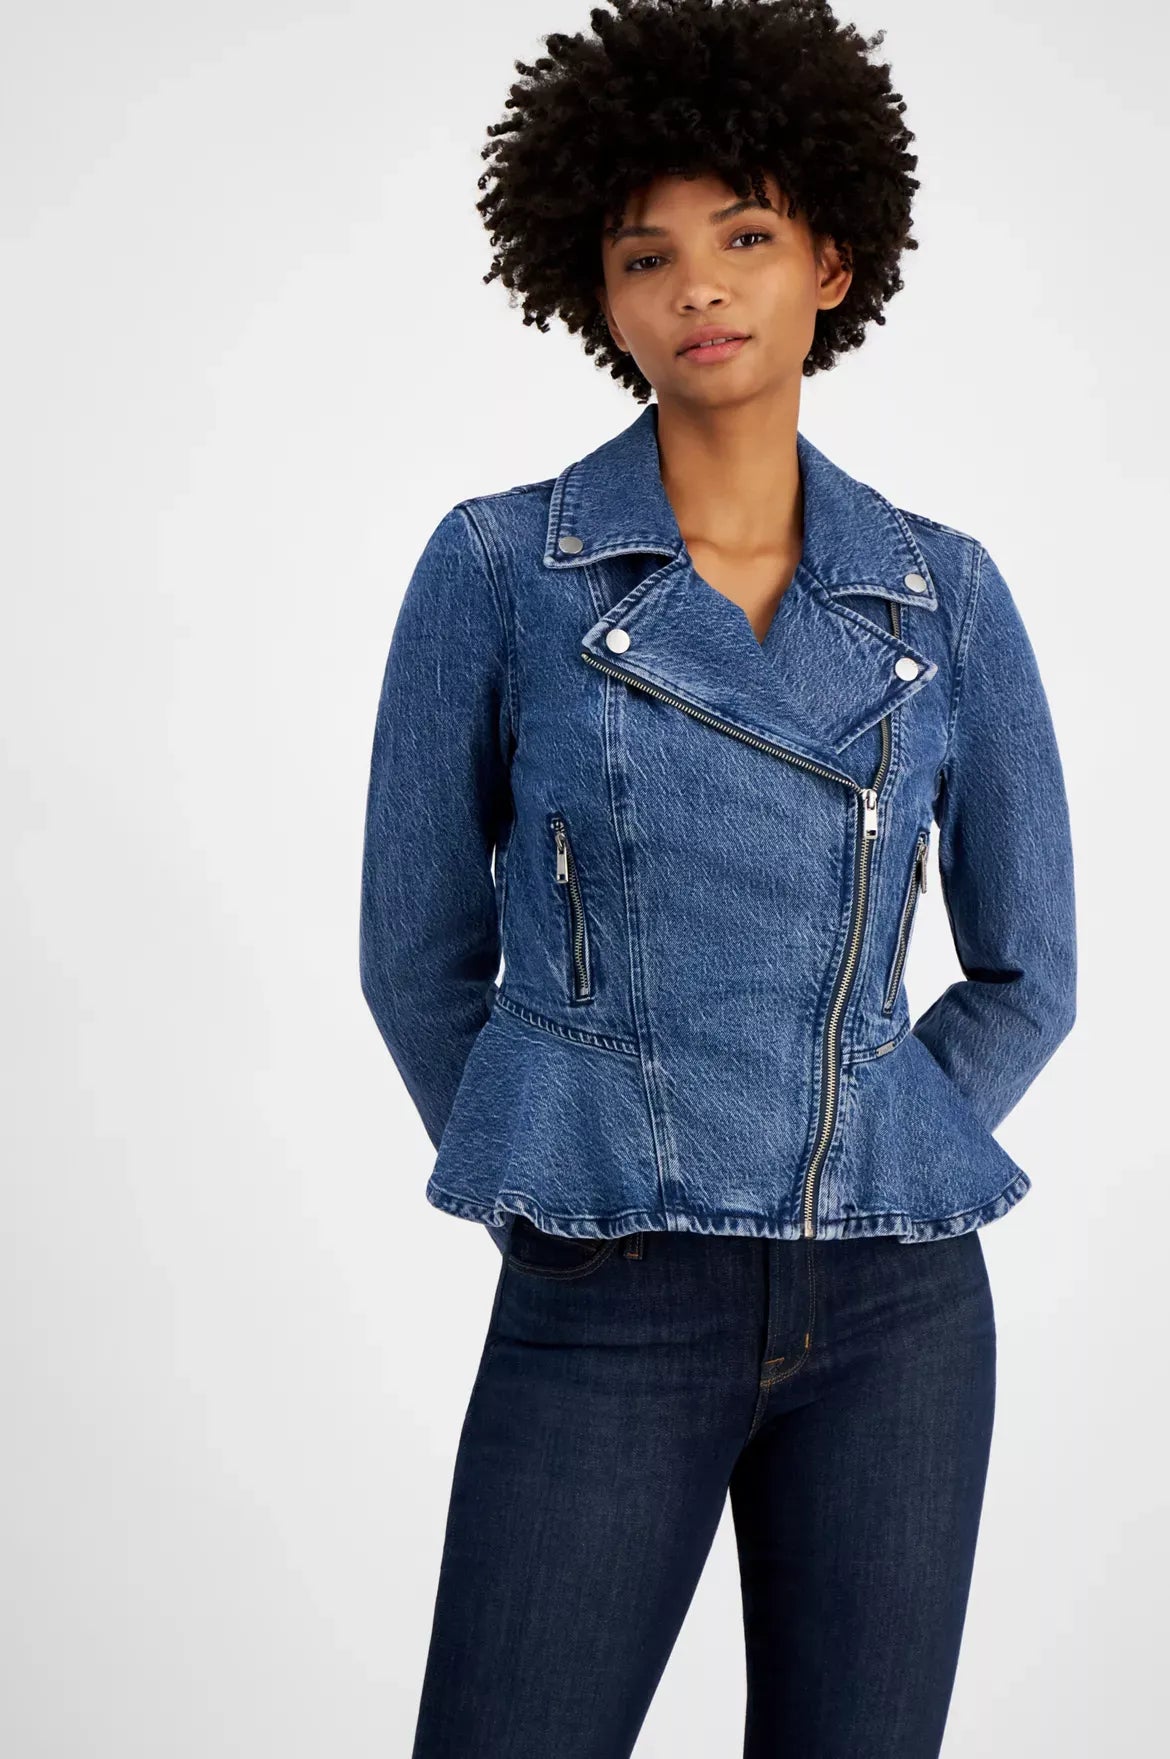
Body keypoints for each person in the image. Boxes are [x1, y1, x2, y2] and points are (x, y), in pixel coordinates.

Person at [359, 2, 1077, 1753]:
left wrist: (877, 1122)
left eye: (745, 235)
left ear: (832, 260)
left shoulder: (946, 596)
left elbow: (1029, 971)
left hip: (899, 1300)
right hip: (609, 1280)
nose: (700, 286)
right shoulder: (499, 569)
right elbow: (414, 954)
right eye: (647, 254)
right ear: (597, 298)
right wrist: (561, 1165)